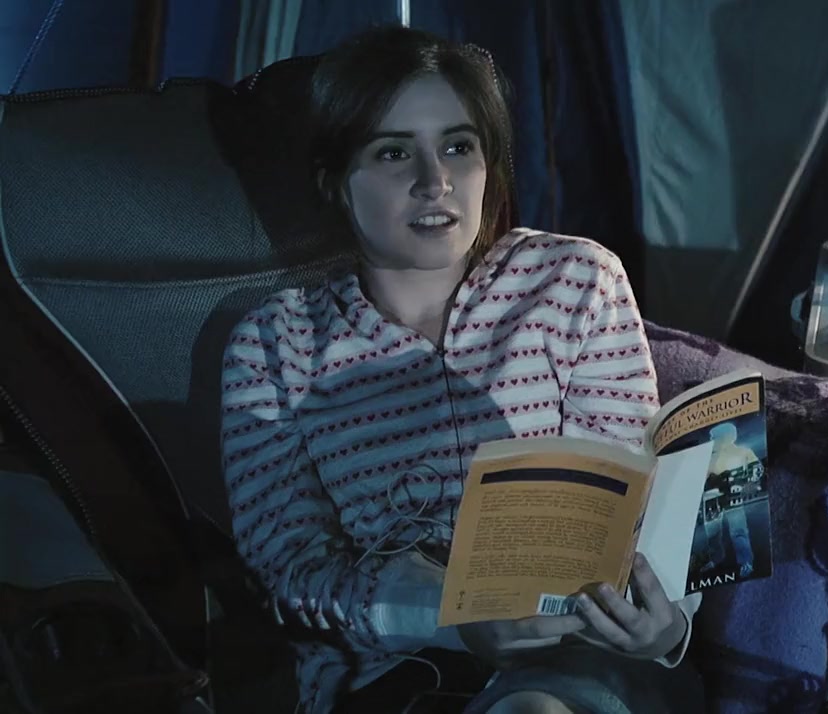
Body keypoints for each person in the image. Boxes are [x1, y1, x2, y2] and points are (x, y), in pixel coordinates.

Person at [219, 26, 702, 714]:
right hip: (394, 676)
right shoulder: (274, 344)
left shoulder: (573, 280)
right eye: (393, 152)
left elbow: (630, 508)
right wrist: (449, 616)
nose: (435, 181)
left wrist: (666, 625)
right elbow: (289, 571)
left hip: (587, 659)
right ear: (335, 181)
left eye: (457, 146)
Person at [700, 423, 758, 577]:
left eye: (714, 437)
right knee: (712, 532)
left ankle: (746, 562)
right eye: (711, 437)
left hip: (733, 495)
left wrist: (746, 482)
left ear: (726, 437)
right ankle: (716, 559)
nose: (712, 440)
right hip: (711, 498)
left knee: (738, 530)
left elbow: (756, 469)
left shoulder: (743, 452)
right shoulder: (708, 457)